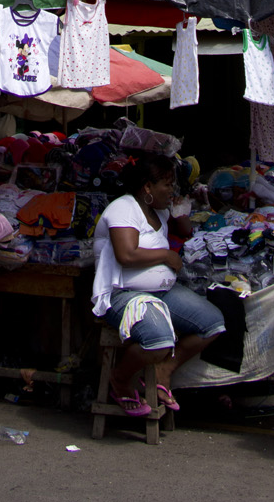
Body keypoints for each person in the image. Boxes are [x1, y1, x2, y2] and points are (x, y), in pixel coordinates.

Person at [91, 152, 225, 417]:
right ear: (147, 187)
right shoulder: (124, 208)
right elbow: (126, 255)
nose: (171, 189)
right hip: (123, 295)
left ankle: (166, 370)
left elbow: (185, 231)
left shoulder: (158, 212)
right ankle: (120, 379)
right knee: (159, 341)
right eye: (167, 184)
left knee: (212, 324)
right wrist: (165, 256)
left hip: (162, 292)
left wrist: (179, 209)